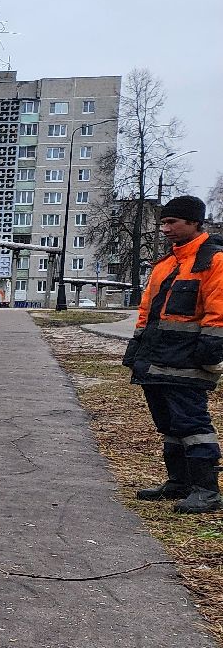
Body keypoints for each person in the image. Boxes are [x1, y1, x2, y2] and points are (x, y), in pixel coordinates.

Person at [124, 195, 223, 514]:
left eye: (172, 222)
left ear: (194, 222)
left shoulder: (214, 261)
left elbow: (218, 312)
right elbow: (146, 312)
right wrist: (136, 351)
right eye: (163, 223)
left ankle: (206, 490)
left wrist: (209, 355)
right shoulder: (166, 264)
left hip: (188, 362)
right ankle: (180, 482)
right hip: (156, 360)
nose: (165, 229)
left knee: (192, 424)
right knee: (169, 424)